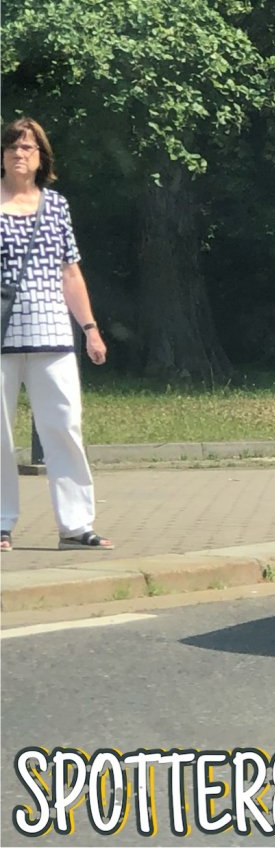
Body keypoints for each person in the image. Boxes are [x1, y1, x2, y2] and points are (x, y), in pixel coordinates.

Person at [1, 117, 113, 551]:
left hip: (52, 334)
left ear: (41, 156)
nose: (19, 154)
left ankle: (76, 524)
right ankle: (2, 523)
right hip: (2, 338)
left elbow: (70, 272)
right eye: (11, 146)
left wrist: (90, 329)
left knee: (64, 427)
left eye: (28, 147)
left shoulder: (56, 206)